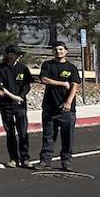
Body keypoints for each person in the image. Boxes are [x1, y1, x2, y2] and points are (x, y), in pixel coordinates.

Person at [37, 42, 81, 171]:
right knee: (48, 136)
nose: (58, 52)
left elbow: (74, 86)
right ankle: (45, 161)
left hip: (66, 110)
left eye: (61, 49)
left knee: (67, 137)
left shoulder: (71, 68)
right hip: (50, 107)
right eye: (55, 49)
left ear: (66, 51)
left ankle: (66, 162)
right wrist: (62, 83)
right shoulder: (47, 65)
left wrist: (68, 102)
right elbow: (44, 79)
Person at [0, 45, 34, 167]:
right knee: (10, 132)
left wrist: (20, 97)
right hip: (6, 105)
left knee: (22, 132)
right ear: (10, 55)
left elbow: (27, 85)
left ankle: (25, 158)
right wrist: (13, 97)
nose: (20, 56)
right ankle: (13, 158)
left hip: (20, 105)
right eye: (17, 54)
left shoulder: (23, 68)